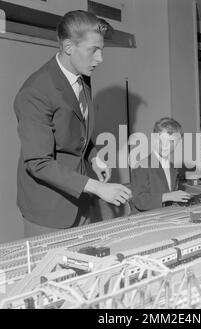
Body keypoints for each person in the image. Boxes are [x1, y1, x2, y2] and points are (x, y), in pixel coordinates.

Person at [14, 11, 131, 237]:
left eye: (101, 50)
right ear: (69, 47)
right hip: (48, 211)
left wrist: (94, 156)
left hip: (81, 201)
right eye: (93, 50)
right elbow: (38, 162)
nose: (100, 59)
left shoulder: (82, 77)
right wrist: (97, 187)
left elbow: (76, 132)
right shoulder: (34, 92)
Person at [131, 117, 191, 212]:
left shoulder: (173, 167)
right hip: (145, 218)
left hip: (164, 214)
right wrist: (167, 196)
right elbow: (139, 200)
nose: (166, 145)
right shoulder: (142, 165)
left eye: (171, 141)